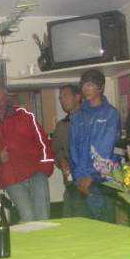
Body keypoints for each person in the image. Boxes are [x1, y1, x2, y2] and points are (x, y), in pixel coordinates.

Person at [0, 81, 54, 221]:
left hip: (36, 173)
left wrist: (45, 169)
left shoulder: (24, 115)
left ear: (7, 98)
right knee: (28, 217)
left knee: (43, 217)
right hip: (10, 179)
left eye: (1, 101)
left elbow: (44, 141)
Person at [69, 69, 121, 222]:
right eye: (84, 85)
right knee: (83, 228)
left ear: (100, 88)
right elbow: (73, 149)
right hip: (81, 181)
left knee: (106, 227)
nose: (86, 89)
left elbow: (106, 149)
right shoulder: (77, 116)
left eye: (90, 85)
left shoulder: (111, 114)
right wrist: (79, 176)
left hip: (103, 180)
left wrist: (91, 176)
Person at [51, 84, 83, 217]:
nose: (62, 100)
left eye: (65, 96)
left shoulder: (88, 120)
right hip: (70, 183)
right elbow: (56, 149)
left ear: (77, 97)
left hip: (89, 181)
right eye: (60, 98)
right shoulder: (61, 125)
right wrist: (62, 160)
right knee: (69, 218)